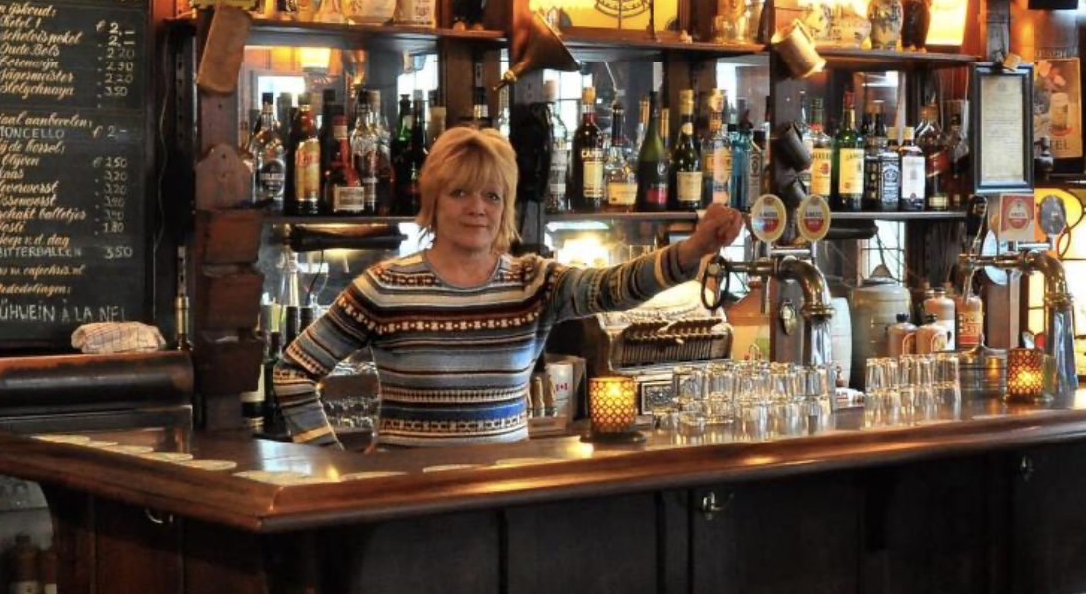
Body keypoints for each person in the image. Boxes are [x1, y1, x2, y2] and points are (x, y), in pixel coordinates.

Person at [274, 124, 742, 447]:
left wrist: (692, 249)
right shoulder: (385, 287)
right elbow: (293, 371)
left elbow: (615, 287)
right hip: (413, 505)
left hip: (504, 494)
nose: (477, 207)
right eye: (460, 192)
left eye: (492, 195)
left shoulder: (533, 282)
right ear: (434, 200)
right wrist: (332, 462)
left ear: (506, 206)